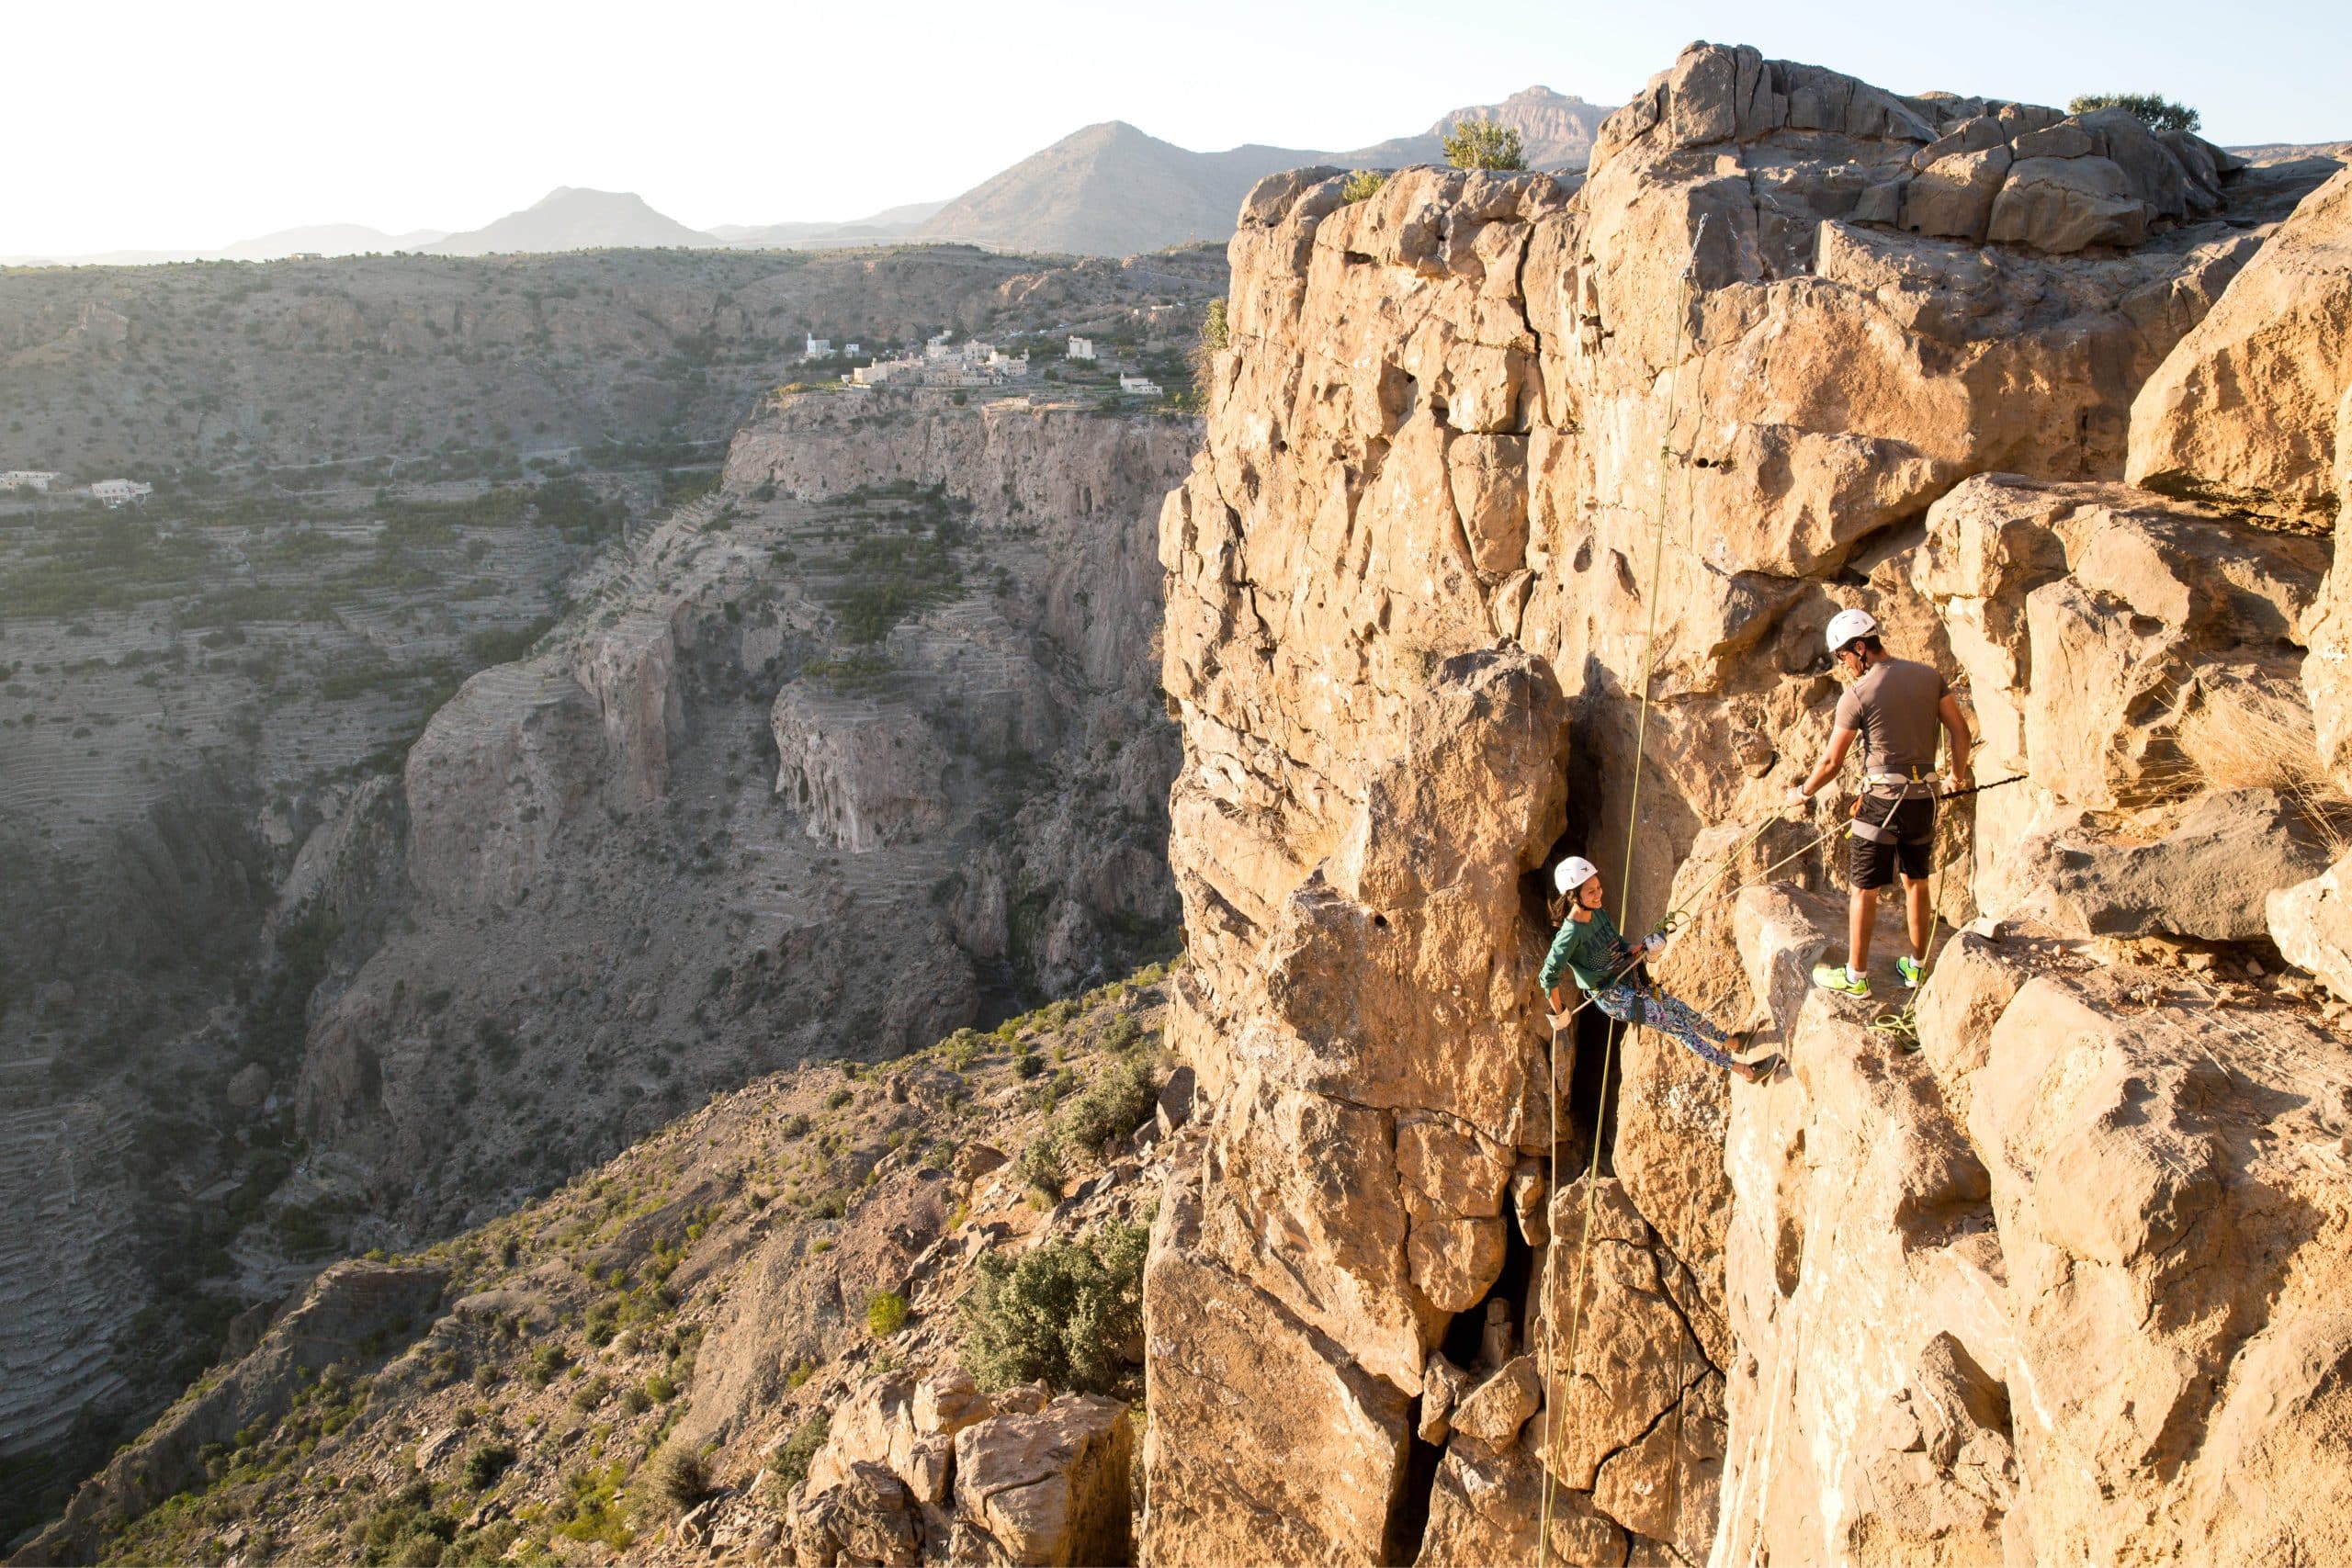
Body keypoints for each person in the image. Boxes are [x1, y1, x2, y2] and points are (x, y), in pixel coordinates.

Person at [1784, 607, 1973, 998]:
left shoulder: (1858, 695)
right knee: (1916, 882)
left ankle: (1856, 977)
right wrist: (1957, 776)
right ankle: (1917, 968)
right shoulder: (1929, 677)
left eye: (1843, 656)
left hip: (1883, 801)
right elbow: (1959, 730)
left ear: (1860, 647)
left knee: (1863, 889)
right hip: (1924, 799)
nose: (1843, 665)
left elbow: (1832, 762)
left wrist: (1802, 794)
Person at [1539, 855, 1780, 1083]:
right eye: (1591, 891)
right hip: (1613, 996)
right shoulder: (1569, 934)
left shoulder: (1597, 911)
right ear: (1573, 896)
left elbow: (1620, 945)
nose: (1598, 894)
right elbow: (1548, 976)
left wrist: (1644, 947)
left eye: (1598, 887)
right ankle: (1746, 1072)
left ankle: (1735, 1043)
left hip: (1629, 978)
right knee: (1680, 1027)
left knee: (1685, 1013)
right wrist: (1560, 1013)